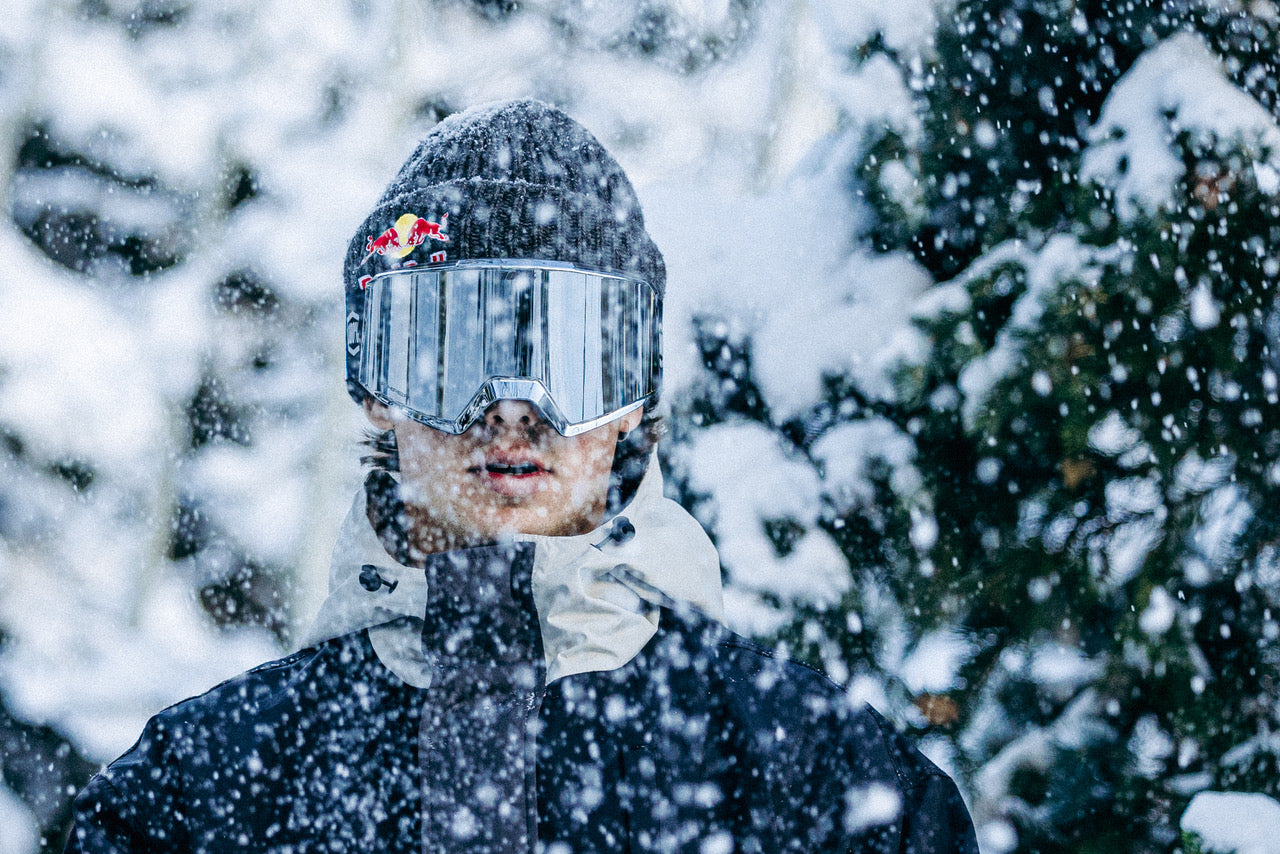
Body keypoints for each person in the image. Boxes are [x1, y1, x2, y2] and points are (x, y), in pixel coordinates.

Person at [63, 99, 979, 853]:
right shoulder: (196, 793)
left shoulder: (836, 790)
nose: (511, 410)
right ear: (374, 386)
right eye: (448, 350)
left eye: (572, 355)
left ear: (633, 399)